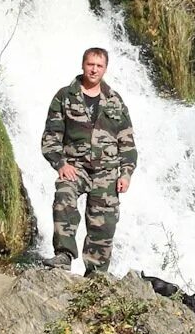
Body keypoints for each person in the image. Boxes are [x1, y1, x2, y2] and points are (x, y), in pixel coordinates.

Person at [41, 47, 137, 275]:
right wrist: (60, 164)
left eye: (99, 66)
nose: (94, 69)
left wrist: (126, 173)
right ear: (83, 65)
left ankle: (96, 274)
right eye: (90, 64)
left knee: (104, 225)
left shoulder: (115, 100)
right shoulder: (65, 96)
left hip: (107, 172)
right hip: (76, 167)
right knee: (64, 195)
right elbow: (50, 136)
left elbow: (127, 142)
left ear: (105, 68)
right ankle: (63, 256)